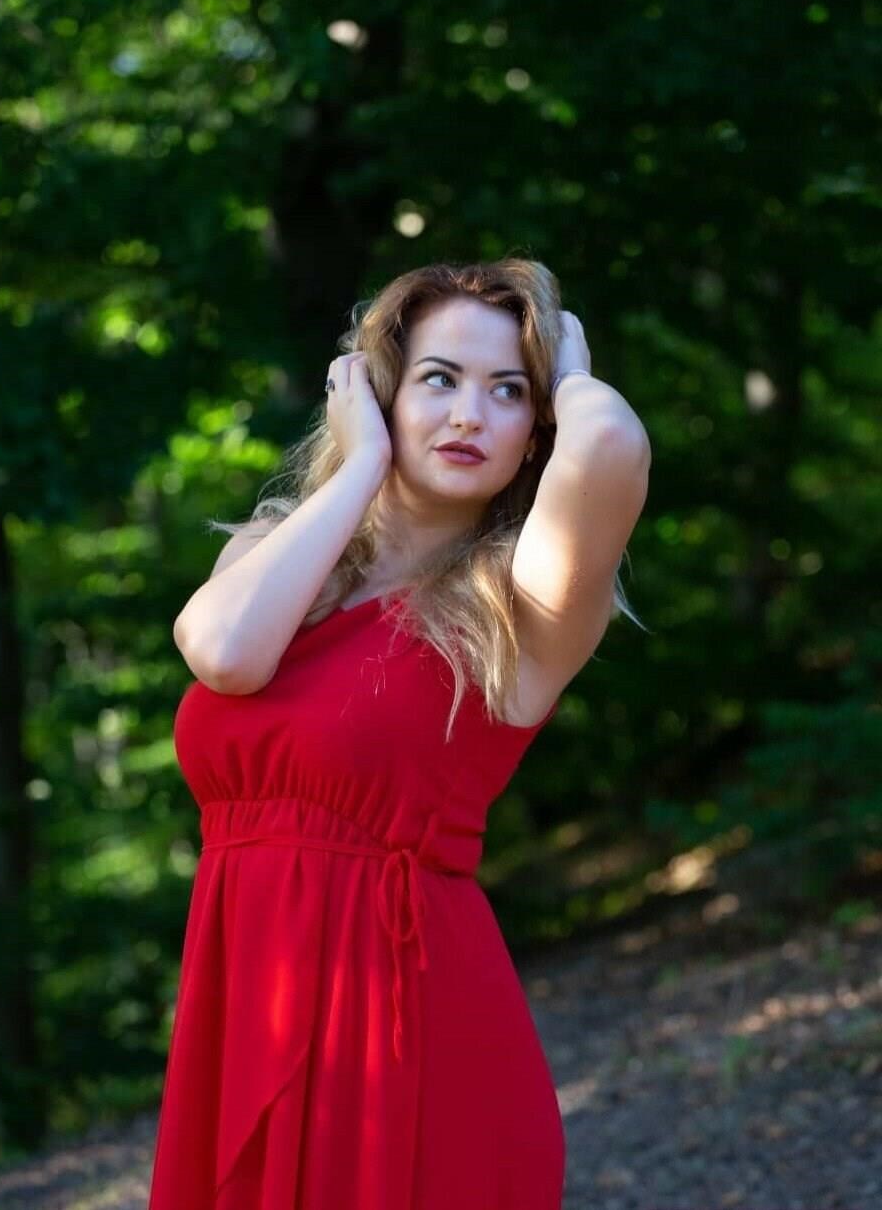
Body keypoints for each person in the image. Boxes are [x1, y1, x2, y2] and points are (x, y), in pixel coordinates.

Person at [148, 258, 651, 1209]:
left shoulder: (522, 607)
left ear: (538, 427)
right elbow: (224, 653)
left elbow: (613, 442)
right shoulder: (275, 553)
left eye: (509, 391)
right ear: (378, 392)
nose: (469, 415)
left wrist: (571, 371)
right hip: (247, 1004)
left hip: (406, 1039)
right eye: (439, 379)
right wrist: (361, 469)